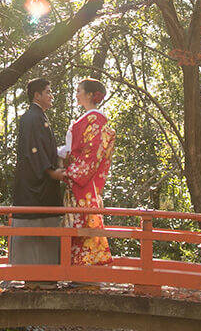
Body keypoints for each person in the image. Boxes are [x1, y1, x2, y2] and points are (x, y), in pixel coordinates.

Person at [9, 77, 66, 276]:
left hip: (40, 183)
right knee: (36, 228)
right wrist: (51, 171)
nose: (51, 96)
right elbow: (33, 152)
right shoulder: (32, 118)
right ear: (37, 95)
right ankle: (35, 276)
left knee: (44, 228)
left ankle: (42, 276)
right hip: (34, 186)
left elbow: (42, 150)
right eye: (48, 92)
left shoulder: (38, 117)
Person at [58, 77, 115, 267]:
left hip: (82, 180)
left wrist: (71, 172)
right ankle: (78, 272)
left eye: (79, 90)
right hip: (80, 179)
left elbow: (92, 152)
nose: (76, 94)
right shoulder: (89, 119)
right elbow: (72, 149)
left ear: (90, 95)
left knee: (83, 223)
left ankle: (87, 274)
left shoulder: (95, 119)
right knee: (78, 224)